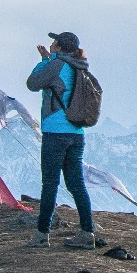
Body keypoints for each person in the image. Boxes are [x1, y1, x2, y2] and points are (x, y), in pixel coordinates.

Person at [25, 32, 97, 249]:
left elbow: (32, 83)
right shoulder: (81, 67)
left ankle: (41, 234)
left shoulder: (57, 65)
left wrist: (45, 60)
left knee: (50, 183)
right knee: (76, 184)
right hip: (77, 132)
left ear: (58, 46)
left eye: (54, 42)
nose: (51, 43)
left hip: (55, 132)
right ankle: (87, 233)